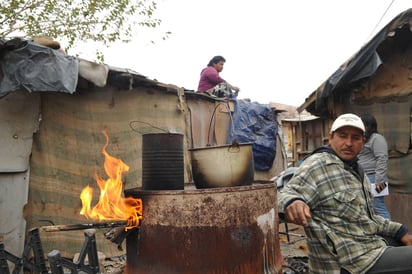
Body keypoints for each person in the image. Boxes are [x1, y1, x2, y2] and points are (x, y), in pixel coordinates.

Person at [278, 113, 412, 274]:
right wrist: (292, 202)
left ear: (363, 142)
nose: (348, 143)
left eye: (355, 138)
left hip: (367, 248)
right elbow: (285, 193)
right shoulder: (318, 164)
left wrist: (400, 230)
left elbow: (368, 218)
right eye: (342, 136)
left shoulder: (356, 170)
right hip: (346, 263)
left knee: (401, 240)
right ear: (330, 137)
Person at [358, 113, 391, 219]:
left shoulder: (377, 138)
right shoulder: (363, 139)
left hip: (375, 178)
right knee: (367, 207)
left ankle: (390, 234)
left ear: (369, 125)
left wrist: (379, 181)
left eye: (363, 124)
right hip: (363, 177)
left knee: (378, 207)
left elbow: (382, 158)